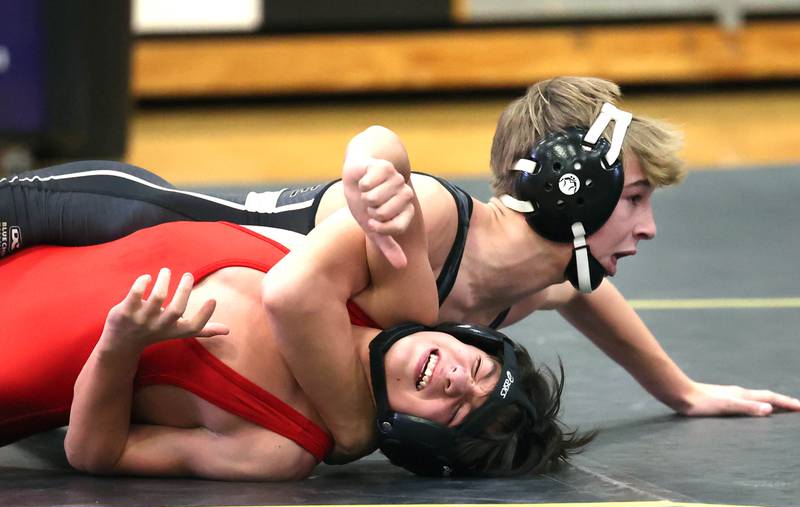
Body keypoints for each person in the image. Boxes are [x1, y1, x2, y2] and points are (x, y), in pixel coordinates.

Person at [2, 76, 797, 418]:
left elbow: (587, 291)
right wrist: (367, 156)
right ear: (572, 190)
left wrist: (680, 389)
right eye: (634, 198)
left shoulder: (532, 279)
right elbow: (382, 157)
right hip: (93, 216)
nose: (649, 227)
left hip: (115, 289)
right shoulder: (437, 220)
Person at [0, 152, 589, 480]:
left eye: (459, 408)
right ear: (471, 337)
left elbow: (94, 454)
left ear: (418, 440)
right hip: (41, 242)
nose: (460, 379)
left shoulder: (281, 447)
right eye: (481, 370)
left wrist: (119, 347)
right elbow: (390, 172)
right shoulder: (396, 298)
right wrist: (379, 169)